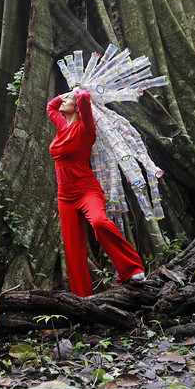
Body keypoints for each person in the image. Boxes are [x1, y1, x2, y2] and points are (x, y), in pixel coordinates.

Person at [47, 87, 146, 298]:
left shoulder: (86, 128)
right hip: (64, 196)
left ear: (77, 106)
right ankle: (82, 298)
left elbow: (83, 97)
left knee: (100, 223)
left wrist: (77, 90)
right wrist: (66, 95)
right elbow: (50, 106)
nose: (62, 100)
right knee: (73, 248)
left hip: (86, 190)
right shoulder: (62, 125)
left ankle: (133, 269)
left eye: (67, 98)